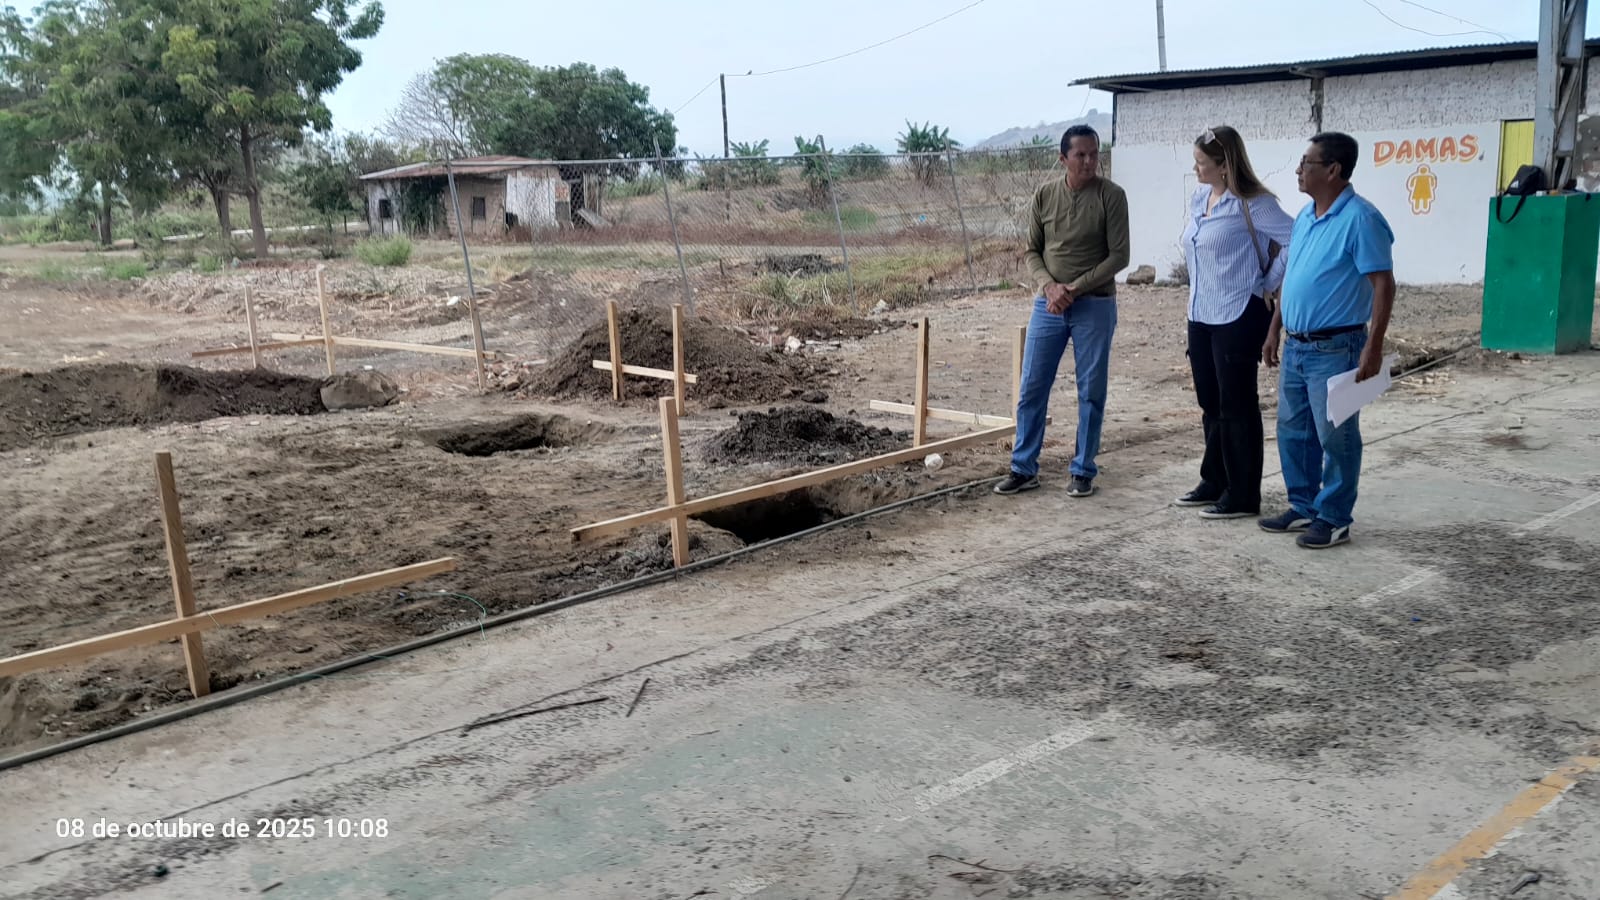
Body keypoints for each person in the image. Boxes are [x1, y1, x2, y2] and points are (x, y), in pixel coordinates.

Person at [1260, 131, 1396, 549]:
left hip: (1337, 348)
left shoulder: (1361, 219)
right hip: (1298, 345)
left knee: (1336, 435)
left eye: (1307, 163)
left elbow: (1383, 284)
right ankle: (1303, 505)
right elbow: (1293, 277)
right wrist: (1275, 327)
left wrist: (1374, 345)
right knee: (1293, 430)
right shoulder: (1305, 217)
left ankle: (1335, 517)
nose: (1298, 170)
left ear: (1333, 170)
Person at [994, 125, 1129, 497]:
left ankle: (1083, 470)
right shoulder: (1045, 195)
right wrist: (1049, 287)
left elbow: (1119, 255)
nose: (1089, 161)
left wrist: (1075, 287)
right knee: (1032, 387)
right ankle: (1023, 468)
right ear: (1063, 158)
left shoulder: (1112, 196)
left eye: (1094, 154)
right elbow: (1032, 251)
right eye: (1080, 155)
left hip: (1095, 304)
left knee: (1091, 391)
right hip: (1049, 304)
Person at [1173, 126, 1295, 520]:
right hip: (1200, 313)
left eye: (1202, 163)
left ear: (1225, 165)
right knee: (1210, 401)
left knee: (1237, 404)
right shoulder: (1200, 199)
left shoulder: (1254, 204)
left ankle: (1243, 494)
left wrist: (1268, 281)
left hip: (1237, 313)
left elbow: (1295, 238)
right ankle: (1215, 480)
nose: (1196, 169)